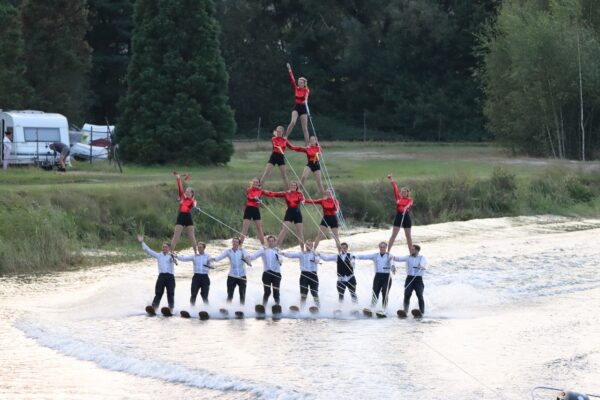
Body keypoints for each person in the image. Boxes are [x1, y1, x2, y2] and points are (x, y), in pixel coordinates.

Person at [137, 234, 177, 311]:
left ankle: (171, 308)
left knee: (170, 293)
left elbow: (175, 260)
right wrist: (142, 242)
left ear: (169, 248)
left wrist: (173, 257)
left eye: (166, 247)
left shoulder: (171, 255)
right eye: (163, 247)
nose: (164, 248)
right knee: (158, 292)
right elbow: (148, 250)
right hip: (161, 276)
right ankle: (154, 307)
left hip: (170, 277)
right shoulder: (159, 255)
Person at [264, 181, 305, 250]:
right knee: (284, 230)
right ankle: (276, 247)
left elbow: (303, 199)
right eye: (292, 185)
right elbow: (274, 194)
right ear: (290, 186)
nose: (293, 187)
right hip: (289, 213)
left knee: (300, 232)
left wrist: (303, 202)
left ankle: (303, 250)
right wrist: (264, 192)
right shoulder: (286, 193)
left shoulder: (300, 194)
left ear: (296, 187)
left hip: (297, 213)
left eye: (294, 185)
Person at [212, 238, 252, 305]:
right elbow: (219, 258)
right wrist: (212, 259)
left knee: (242, 293)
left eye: (236, 242)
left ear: (239, 244)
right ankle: (228, 308)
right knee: (230, 294)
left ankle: (242, 308)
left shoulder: (242, 250)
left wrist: (248, 262)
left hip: (242, 276)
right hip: (232, 276)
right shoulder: (228, 251)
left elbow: (247, 257)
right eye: (233, 242)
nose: (234, 243)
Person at [356, 242, 396, 309]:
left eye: (384, 247)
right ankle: (372, 308)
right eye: (381, 247)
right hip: (378, 276)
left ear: (386, 247)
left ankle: (384, 309)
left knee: (385, 293)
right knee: (375, 293)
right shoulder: (375, 255)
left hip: (387, 277)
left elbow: (392, 262)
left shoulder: (389, 255)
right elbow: (365, 257)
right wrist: (355, 256)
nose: (382, 248)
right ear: (379, 247)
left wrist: (393, 267)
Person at [282, 241, 320, 306]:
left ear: (312, 246)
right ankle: (302, 307)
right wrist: (283, 253)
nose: (308, 246)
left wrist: (315, 253)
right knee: (303, 293)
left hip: (313, 275)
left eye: (310, 245)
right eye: (307, 245)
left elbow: (317, 261)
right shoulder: (301, 254)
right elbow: (291, 255)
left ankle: (318, 306)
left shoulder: (315, 254)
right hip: (304, 275)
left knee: (314, 292)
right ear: (305, 246)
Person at [393, 244, 427, 314]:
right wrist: (391, 257)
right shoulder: (407, 257)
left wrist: (421, 266)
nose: (411, 251)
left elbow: (422, 264)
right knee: (407, 294)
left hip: (418, 279)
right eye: (411, 249)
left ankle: (422, 312)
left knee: (419, 295)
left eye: (413, 249)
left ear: (417, 250)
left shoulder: (422, 258)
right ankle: (405, 311)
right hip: (409, 278)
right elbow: (398, 259)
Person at [250, 235, 283, 306]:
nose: (271, 242)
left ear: (275, 242)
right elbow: (253, 257)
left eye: (272, 241)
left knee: (276, 292)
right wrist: (246, 257)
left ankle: (277, 306)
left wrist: (279, 260)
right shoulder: (263, 249)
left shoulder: (278, 250)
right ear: (267, 242)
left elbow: (281, 260)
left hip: (276, 274)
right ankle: (263, 306)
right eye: (269, 241)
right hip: (267, 274)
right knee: (267, 292)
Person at [171, 172, 198, 255]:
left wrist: (195, 207)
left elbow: (194, 205)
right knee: (176, 236)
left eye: (188, 192)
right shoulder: (182, 197)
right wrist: (178, 178)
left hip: (188, 217)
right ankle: (171, 252)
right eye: (186, 191)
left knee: (191, 236)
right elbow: (180, 187)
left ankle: (196, 252)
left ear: (192, 194)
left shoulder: (193, 201)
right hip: (181, 217)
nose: (186, 192)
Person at [387, 174, 414, 252]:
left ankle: (411, 253)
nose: (403, 193)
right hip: (399, 216)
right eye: (402, 192)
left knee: (408, 236)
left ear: (407, 193)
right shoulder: (398, 197)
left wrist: (406, 207)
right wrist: (391, 179)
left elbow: (410, 204)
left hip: (406, 217)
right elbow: (395, 188)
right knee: (394, 235)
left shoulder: (410, 200)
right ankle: (388, 251)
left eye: (404, 192)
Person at [285, 62, 310, 144]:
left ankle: (308, 144)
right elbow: (292, 79)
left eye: (301, 82)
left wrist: (305, 100)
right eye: (298, 82)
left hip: (303, 107)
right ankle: (285, 137)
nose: (299, 83)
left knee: (305, 128)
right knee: (293, 122)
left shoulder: (306, 89)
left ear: (304, 84)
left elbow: (306, 96)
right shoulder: (296, 88)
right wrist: (289, 69)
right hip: (297, 107)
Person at [240, 178, 266, 246]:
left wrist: (260, 201)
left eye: (257, 182)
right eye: (254, 182)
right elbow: (249, 196)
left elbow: (261, 198)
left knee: (259, 228)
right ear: (252, 183)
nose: (255, 183)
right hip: (249, 209)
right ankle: (240, 245)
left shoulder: (260, 191)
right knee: (245, 228)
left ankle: (263, 245)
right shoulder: (249, 189)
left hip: (256, 210)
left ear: (259, 184)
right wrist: (254, 198)